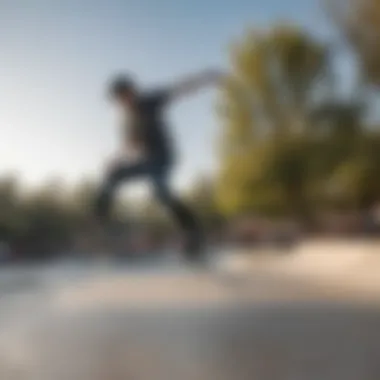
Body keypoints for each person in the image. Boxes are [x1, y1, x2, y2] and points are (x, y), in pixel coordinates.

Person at [94, 68, 225, 262]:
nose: (123, 102)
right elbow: (131, 146)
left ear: (131, 91)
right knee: (114, 175)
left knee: (160, 191)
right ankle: (100, 220)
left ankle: (192, 232)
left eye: (125, 96)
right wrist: (116, 161)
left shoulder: (149, 101)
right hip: (146, 160)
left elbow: (179, 89)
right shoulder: (127, 120)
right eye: (120, 100)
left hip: (163, 157)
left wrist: (206, 78)